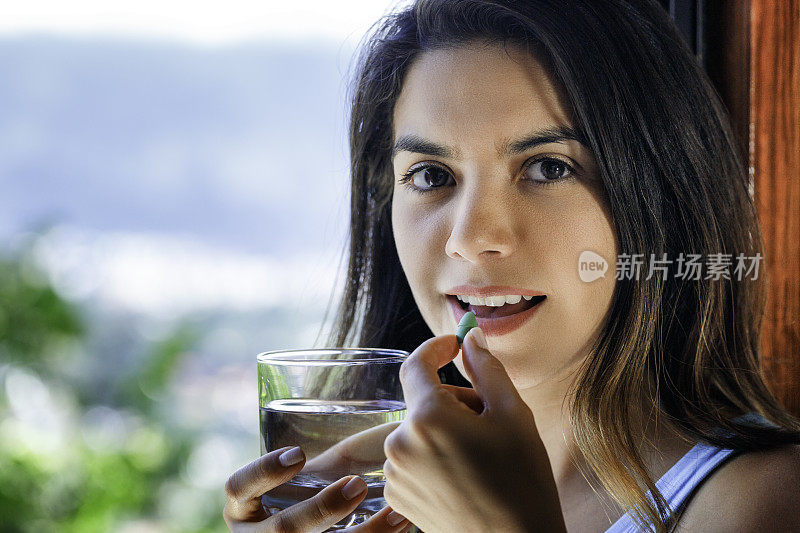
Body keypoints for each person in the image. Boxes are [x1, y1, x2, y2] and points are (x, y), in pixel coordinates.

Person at [224, 0, 800, 531]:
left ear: (662, 190)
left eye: (548, 168)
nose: (470, 239)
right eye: (430, 175)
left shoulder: (764, 500)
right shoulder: (377, 498)